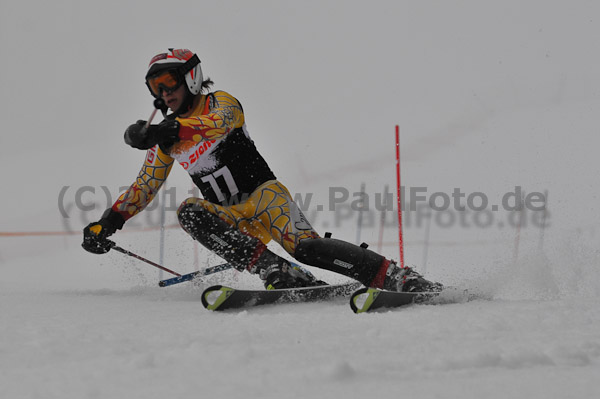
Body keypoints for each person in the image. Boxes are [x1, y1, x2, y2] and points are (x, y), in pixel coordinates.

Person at [82, 48, 441, 292]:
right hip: (232, 216)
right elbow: (143, 187)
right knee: (189, 211)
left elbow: (221, 122)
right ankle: (278, 271)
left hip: (266, 199)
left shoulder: (218, 102)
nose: (163, 92)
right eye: (155, 87)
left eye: (169, 82)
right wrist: (108, 222)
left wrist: (172, 130)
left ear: (191, 77)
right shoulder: (166, 139)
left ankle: (397, 277)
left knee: (308, 247)